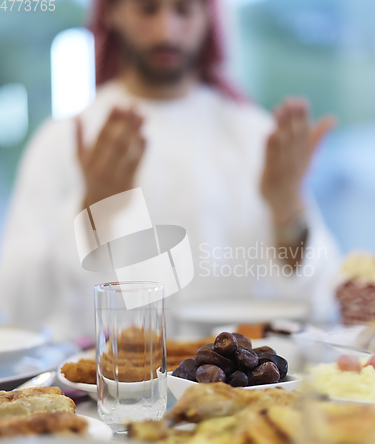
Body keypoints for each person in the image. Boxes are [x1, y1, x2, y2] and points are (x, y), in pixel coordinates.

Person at [0, 0, 340, 341]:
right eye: (148, 10)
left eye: (183, 11)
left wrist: (286, 210)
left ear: (207, 17)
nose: (166, 31)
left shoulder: (254, 136)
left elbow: (320, 301)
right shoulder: (66, 140)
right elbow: (21, 305)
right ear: (113, 14)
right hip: (108, 386)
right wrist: (92, 209)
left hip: (241, 384)